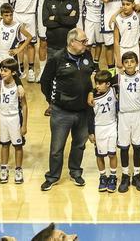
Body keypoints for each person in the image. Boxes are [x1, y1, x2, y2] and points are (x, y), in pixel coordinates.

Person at [39, 28, 95, 190]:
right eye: (83, 41)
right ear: (72, 42)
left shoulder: (87, 55)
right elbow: (45, 82)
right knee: (57, 148)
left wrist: (91, 92)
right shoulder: (57, 58)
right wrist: (52, 100)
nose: (86, 43)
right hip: (61, 111)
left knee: (79, 145)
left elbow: (90, 76)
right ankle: (53, 176)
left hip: (83, 111)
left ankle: (75, 172)